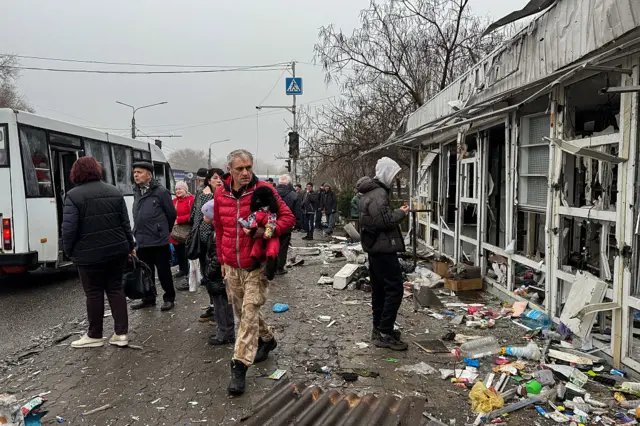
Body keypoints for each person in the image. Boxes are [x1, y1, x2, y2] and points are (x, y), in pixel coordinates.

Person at [213, 149, 295, 395]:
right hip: (231, 264)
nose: (246, 172)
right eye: (240, 169)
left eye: (249, 167)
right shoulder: (220, 194)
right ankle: (268, 339)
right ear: (230, 170)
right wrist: (221, 261)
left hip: (256, 263)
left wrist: (267, 232)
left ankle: (239, 366)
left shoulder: (263, 191)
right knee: (242, 311)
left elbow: (288, 218)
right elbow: (219, 228)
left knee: (248, 313)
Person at [61, 157, 134, 348]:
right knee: (116, 289)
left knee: (93, 293)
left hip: (88, 255)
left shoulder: (73, 196)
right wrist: (130, 246)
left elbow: (69, 230)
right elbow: (125, 224)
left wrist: (69, 252)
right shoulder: (114, 191)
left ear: (76, 173)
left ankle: (94, 335)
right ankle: (121, 334)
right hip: (117, 250)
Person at [357, 157, 409, 351]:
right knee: (394, 289)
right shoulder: (379, 194)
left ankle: (378, 328)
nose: (395, 178)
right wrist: (402, 213)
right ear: (387, 173)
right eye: (394, 174)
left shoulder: (371, 192)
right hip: (383, 248)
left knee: (379, 289)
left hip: (375, 248)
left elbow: (378, 218)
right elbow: (384, 222)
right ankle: (385, 332)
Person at [131, 161, 177, 312]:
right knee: (145, 271)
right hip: (142, 240)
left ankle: (169, 298)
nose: (136, 175)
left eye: (139, 172)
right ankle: (149, 298)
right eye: (134, 172)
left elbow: (171, 214)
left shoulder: (161, 192)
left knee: (163, 271)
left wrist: (163, 231)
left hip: (159, 241)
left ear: (149, 175)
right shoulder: (136, 191)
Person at [190, 168, 223, 322]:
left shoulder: (222, 197)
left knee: (216, 276)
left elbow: (212, 219)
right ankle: (213, 305)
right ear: (209, 180)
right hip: (201, 241)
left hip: (216, 242)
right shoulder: (201, 193)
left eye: (221, 178)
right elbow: (195, 215)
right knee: (206, 274)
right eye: (215, 178)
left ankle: (220, 310)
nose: (219, 180)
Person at [200, 200, 235, 346]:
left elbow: (216, 256)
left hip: (217, 277)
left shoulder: (216, 234)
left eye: (205, 214)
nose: (203, 217)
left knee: (221, 305)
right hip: (217, 276)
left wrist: (209, 272)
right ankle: (225, 331)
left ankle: (225, 334)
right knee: (222, 305)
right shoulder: (215, 230)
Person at [171, 181, 194, 287]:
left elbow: (192, 215)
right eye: (176, 189)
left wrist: (179, 219)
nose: (178, 191)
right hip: (176, 233)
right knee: (178, 252)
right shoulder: (173, 201)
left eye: (180, 189)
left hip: (187, 232)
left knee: (186, 253)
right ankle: (182, 269)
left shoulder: (191, 200)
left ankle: (189, 273)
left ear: (185, 190)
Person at [275, 175, 298, 275]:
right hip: (286, 225)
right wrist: (297, 224)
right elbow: (297, 211)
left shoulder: (272, 193)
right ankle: (280, 267)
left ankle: (271, 266)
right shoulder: (293, 195)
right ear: (288, 183)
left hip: (272, 224)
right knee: (283, 247)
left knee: (272, 245)